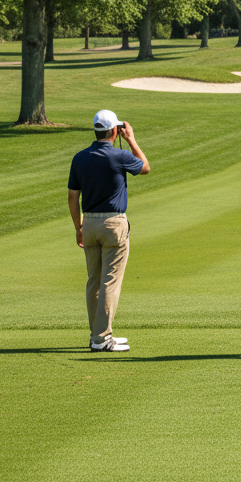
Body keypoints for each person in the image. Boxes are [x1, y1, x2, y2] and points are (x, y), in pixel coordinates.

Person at [68, 110, 150, 352]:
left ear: (95, 131)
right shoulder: (120, 155)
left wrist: (78, 227)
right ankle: (102, 338)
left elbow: (73, 197)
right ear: (115, 131)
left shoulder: (80, 158)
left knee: (94, 281)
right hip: (114, 225)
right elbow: (145, 167)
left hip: (89, 224)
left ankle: (97, 334)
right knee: (109, 283)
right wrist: (132, 139)